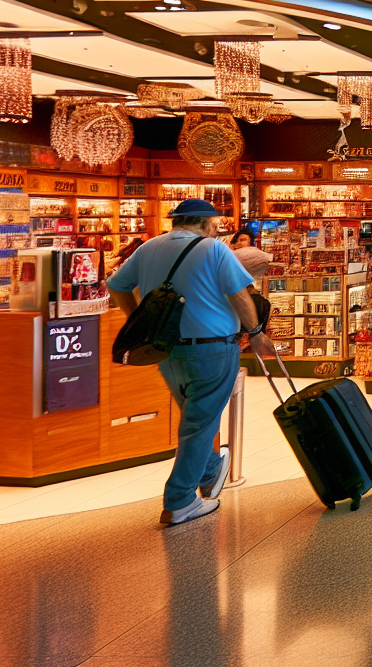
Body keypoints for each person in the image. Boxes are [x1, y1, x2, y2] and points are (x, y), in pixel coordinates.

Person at [108, 199, 274, 527]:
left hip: (167, 350)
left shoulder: (148, 248)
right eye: (214, 221)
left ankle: (211, 469)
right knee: (199, 422)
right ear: (204, 222)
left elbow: (116, 285)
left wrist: (137, 318)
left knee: (196, 416)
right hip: (212, 348)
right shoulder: (214, 250)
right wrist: (256, 332)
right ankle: (180, 499)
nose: (216, 227)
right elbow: (239, 294)